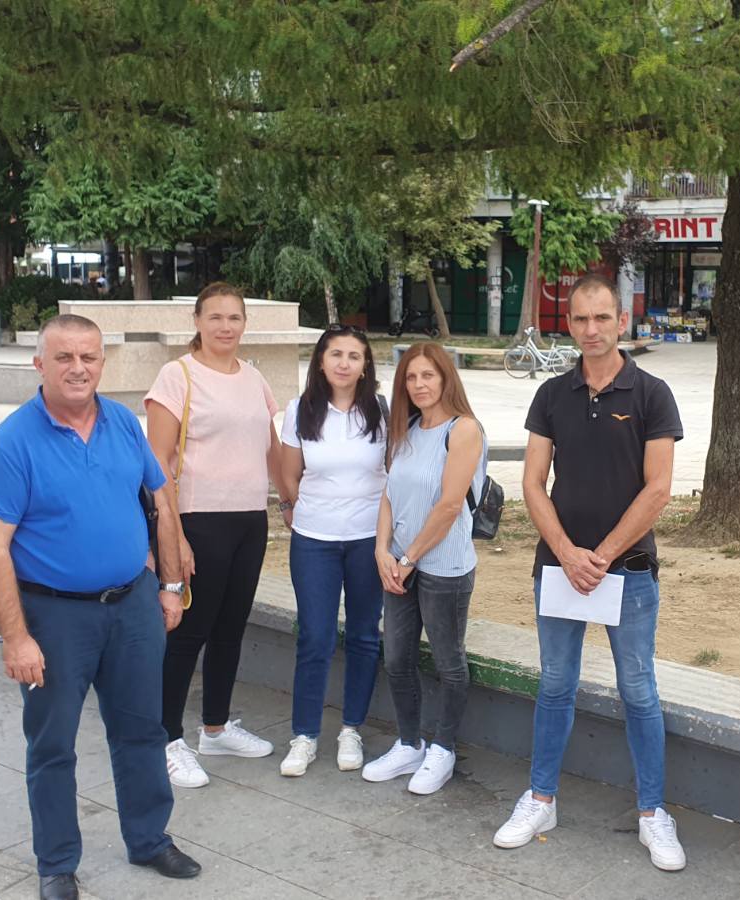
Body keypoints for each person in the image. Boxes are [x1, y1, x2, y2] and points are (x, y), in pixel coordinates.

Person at [0, 314, 201, 900]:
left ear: (103, 362)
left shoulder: (122, 422)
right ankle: (56, 863)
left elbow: (160, 498)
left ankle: (149, 838)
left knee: (143, 729)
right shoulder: (12, 443)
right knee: (53, 744)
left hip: (132, 605)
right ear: (39, 364)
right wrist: (16, 637)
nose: (78, 368)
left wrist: (169, 584)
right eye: (64, 357)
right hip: (55, 617)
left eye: (89, 357)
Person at [493, 274, 687, 871]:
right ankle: (541, 799)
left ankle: (653, 812)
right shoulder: (551, 394)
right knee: (555, 684)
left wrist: (600, 555)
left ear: (621, 321)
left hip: (628, 572)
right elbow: (532, 482)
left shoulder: (652, 394)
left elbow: (658, 488)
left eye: (602, 318)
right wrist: (568, 553)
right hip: (559, 569)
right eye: (580, 319)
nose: (591, 329)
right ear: (569, 324)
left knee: (638, 689)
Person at [143, 283, 286, 788]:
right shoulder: (177, 375)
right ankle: (165, 739)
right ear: (197, 321)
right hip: (197, 519)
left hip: (249, 519)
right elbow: (156, 463)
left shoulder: (253, 378)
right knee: (188, 633)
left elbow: (272, 448)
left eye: (235, 318)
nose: (226, 326)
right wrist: (174, 537)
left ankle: (216, 728)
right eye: (216, 317)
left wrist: (290, 501)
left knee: (230, 628)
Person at [364, 343, 488, 796]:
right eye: (411, 377)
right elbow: (388, 494)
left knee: (448, 662)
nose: (419, 385)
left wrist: (408, 558)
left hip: (442, 567)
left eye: (428, 375)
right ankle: (409, 743)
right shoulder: (408, 429)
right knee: (397, 658)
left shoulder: (464, 429)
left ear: (445, 378)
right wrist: (382, 550)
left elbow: (450, 505)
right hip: (399, 564)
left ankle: (443, 749)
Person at [278, 325, 389, 777]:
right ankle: (304, 736)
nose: (344, 363)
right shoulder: (300, 409)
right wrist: (293, 510)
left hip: (368, 540)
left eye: (354, 356)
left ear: (365, 366)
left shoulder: (382, 411)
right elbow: (289, 475)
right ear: (321, 361)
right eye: (336, 354)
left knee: (364, 635)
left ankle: (351, 729)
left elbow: (393, 472)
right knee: (315, 636)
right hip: (314, 542)